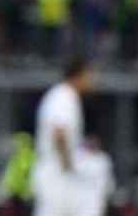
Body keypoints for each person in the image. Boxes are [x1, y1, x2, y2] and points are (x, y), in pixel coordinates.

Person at [30, 58, 95, 216]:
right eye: (89, 75)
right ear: (79, 75)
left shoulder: (66, 96)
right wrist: (67, 164)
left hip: (57, 168)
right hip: (55, 168)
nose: (92, 79)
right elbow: (59, 132)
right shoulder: (63, 96)